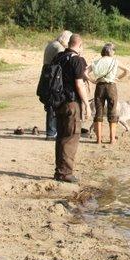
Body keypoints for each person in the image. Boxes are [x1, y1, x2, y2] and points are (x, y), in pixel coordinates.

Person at [53, 33, 91, 183]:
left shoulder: (59, 57)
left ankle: (59, 171)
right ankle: (65, 173)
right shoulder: (76, 60)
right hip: (71, 103)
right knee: (71, 137)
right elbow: (79, 84)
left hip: (58, 102)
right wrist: (87, 104)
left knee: (61, 136)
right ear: (80, 45)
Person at [88, 43, 129, 145]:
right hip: (111, 86)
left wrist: (93, 81)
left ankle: (98, 139)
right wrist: (118, 78)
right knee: (112, 112)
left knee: (99, 112)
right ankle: (112, 139)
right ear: (111, 51)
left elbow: (85, 72)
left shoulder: (97, 61)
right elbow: (127, 71)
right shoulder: (115, 61)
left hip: (100, 86)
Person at [42, 30, 72, 140]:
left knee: (51, 103)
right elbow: (62, 63)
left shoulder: (51, 44)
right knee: (53, 103)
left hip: (47, 74)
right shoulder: (59, 47)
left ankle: (52, 130)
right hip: (53, 76)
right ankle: (51, 132)